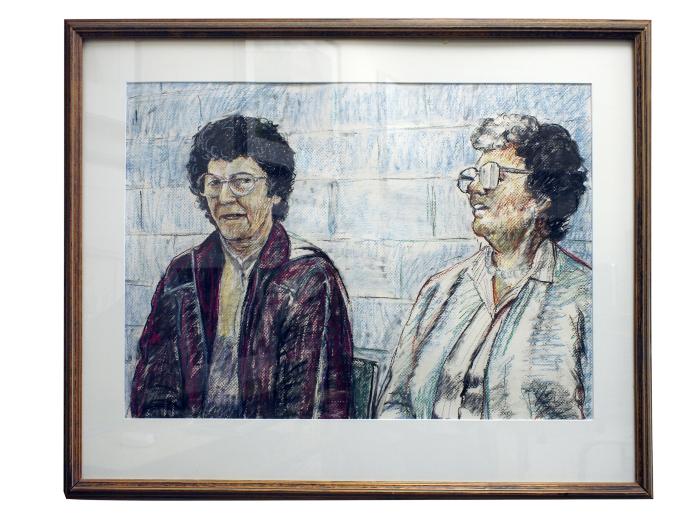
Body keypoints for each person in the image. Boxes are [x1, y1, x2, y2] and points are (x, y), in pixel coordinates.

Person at [130, 115, 354, 418]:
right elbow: (154, 393)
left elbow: (306, 410)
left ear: (274, 191)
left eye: (242, 182)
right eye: (214, 183)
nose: (224, 198)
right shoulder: (183, 273)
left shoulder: (307, 276)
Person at [377, 114, 591, 419]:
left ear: (542, 196)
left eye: (492, 175)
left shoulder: (584, 296)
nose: (474, 187)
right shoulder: (439, 291)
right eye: (474, 175)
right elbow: (395, 403)